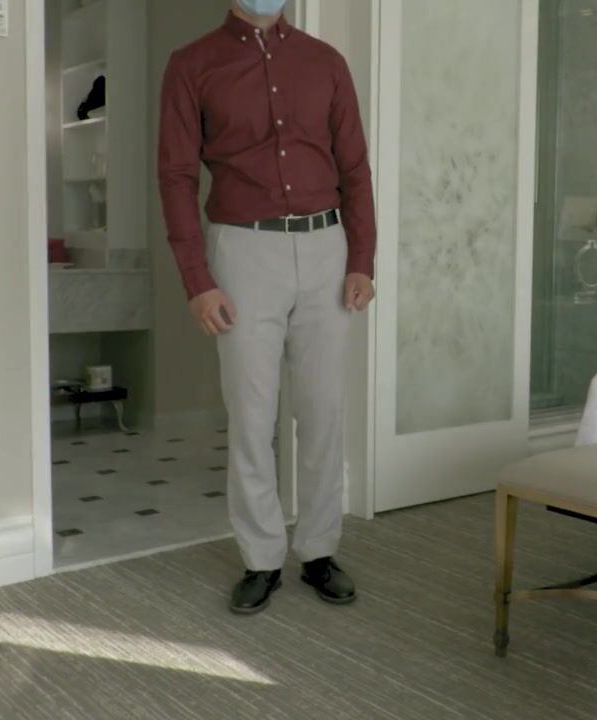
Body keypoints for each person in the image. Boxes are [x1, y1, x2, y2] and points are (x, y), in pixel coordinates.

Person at [157, 0, 376, 614]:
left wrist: (362, 258)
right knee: (252, 414)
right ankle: (260, 558)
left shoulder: (326, 63)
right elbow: (176, 176)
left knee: (323, 409)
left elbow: (355, 168)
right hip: (243, 250)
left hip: (327, 246)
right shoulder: (192, 65)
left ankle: (319, 549)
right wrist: (197, 279)